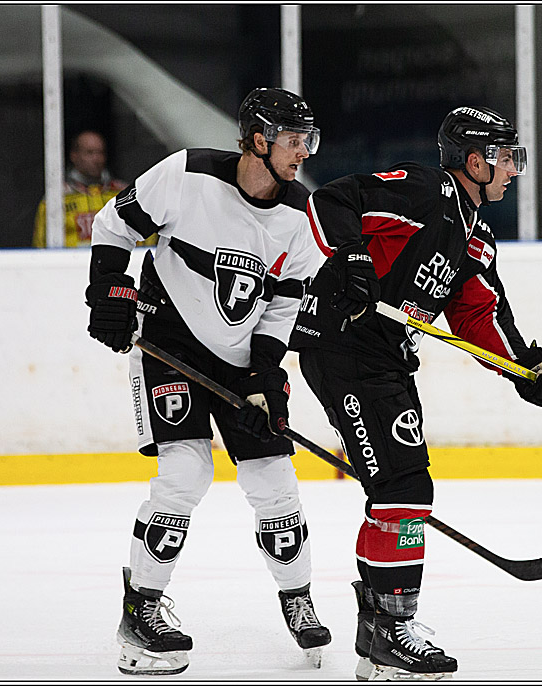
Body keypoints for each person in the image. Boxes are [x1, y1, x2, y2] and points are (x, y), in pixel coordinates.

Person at [289, 106, 542, 680]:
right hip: (344, 345)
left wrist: (528, 368)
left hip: (385, 359)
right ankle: (390, 628)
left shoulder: (476, 233)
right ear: (476, 160)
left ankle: (380, 628)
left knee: (402, 487)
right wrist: (351, 260)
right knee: (405, 483)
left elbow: (480, 311)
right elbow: (332, 200)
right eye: (507, 158)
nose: (514, 170)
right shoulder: (423, 191)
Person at [84, 88, 330, 676]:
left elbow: (281, 309)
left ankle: (296, 595)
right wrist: (111, 293)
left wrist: (265, 381)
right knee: (186, 471)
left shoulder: (301, 216)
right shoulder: (187, 173)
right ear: (257, 140)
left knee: (274, 480)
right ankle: (141, 606)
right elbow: (112, 226)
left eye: (307, 141)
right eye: (293, 141)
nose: (303, 153)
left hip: (241, 361)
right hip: (167, 344)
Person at [34, 129, 153, 247]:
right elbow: (41, 245)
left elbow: (147, 237)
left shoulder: (123, 193)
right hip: (71, 264)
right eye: (90, 153)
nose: (97, 159)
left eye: (100, 152)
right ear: (74, 155)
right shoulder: (57, 197)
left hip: (117, 264)